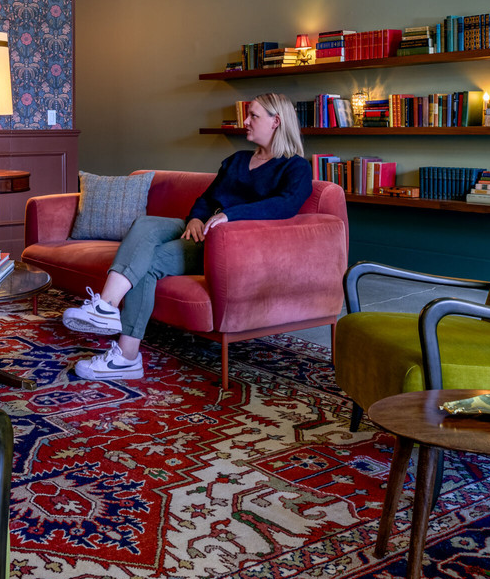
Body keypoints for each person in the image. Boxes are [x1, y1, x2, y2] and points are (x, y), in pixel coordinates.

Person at [64, 92, 311, 380]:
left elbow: (285, 205)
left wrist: (230, 216)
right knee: (145, 224)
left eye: (253, 116)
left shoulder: (295, 167)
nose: (245, 121)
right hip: (198, 228)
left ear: (276, 121)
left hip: (224, 245)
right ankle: (106, 306)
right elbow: (206, 198)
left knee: (149, 263)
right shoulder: (237, 160)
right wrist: (195, 218)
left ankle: (127, 357)